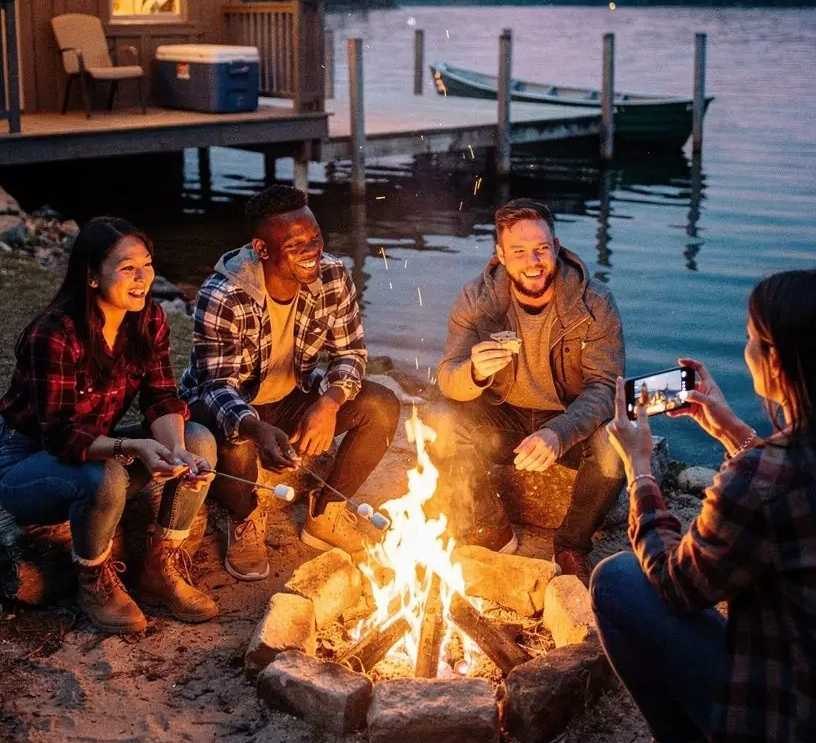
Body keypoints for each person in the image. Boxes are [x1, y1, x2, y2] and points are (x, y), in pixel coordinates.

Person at [593, 269, 816, 743]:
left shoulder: (762, 478)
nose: (743, 350)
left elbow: (677, 584)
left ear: (774, 359)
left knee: (618, 581)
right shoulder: (780, 466)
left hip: (792, 738)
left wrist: (639, 467)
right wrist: (732, 429)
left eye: (749, 338)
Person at [0, 218, 218, 634]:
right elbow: (60, 434)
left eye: (147, 264)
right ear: (92, 276)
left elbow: (160, 398)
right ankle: (92, 579)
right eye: (126, 267)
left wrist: (176, 451)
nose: (142, 278)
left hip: (95, 449)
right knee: (107, 474)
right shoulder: (55, 333)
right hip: (27, 463)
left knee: (199, 439)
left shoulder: (149, 318)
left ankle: (159, 565)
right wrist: (131, 448)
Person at [180, 184, 400, 578]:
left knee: (381, 405)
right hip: (223, 406)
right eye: (296, 244)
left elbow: (350, 353)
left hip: (289, 396)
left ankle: (326, 512)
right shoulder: (223, 295)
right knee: (236, 442)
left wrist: (328, 403)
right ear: (262, 249)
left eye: (314, 237)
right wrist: (258, 431)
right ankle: (244, 518)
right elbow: (218, 389)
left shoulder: (332, 275)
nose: (312, 249)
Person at [432, 198, 625, 579]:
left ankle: (571, 546)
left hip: (566, 417)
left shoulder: (595, 302)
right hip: (502, 416)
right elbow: (447, 378)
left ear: (556, 247)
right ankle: (492, 527)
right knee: (438, 418)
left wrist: (559, 433)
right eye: (519, 251)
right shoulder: (475, 300)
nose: (532, 261)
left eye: (541, 249)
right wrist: (473, 372)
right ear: (501, 255)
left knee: (613, 445)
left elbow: (604, 387)